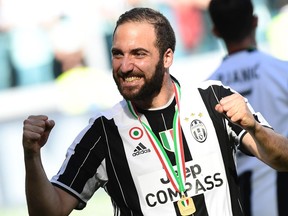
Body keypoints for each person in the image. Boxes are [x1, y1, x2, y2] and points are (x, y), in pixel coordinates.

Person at [22, 7, 288, 216]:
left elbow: (283, 159)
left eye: (138, 54)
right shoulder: (102, 133)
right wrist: (32, 156)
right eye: (117, 54)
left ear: (167, 57)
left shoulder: (213, 99)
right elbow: (50, 211)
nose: (125, 66)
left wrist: (254, 127)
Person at [207, 0, 288, 216]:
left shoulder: (208, 92)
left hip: (235, 201)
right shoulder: (282, 72)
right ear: (256, 22)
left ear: (215, 31)